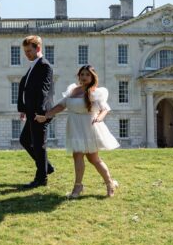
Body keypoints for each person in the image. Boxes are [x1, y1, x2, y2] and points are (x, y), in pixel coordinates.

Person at [37, 65, 119, 199]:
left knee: (94, 159)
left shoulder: (96, 92)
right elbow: (61, 106)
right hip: (74, 126)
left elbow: (105, 109)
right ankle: (78, 186)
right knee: (77, 156)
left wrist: (99, 118)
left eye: (87, 74)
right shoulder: (72, 90)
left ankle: (110, 183)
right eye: (82, 74)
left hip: (89, 126)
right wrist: (46, 116)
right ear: (79, 76)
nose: (84, 77)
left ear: (92, 77)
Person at [16, 35, 55, 188]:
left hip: (40, 113)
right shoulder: (34, 65)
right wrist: (24, 109)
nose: (27, 54)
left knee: (39, 145)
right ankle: (47, 167)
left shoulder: (45, 65)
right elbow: (26, 88)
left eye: (29, 51)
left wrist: (41, 113)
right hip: (32, 111)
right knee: (25, 140)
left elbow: (43, 90)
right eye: (25, 51)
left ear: (38, 48)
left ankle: (41, 178)